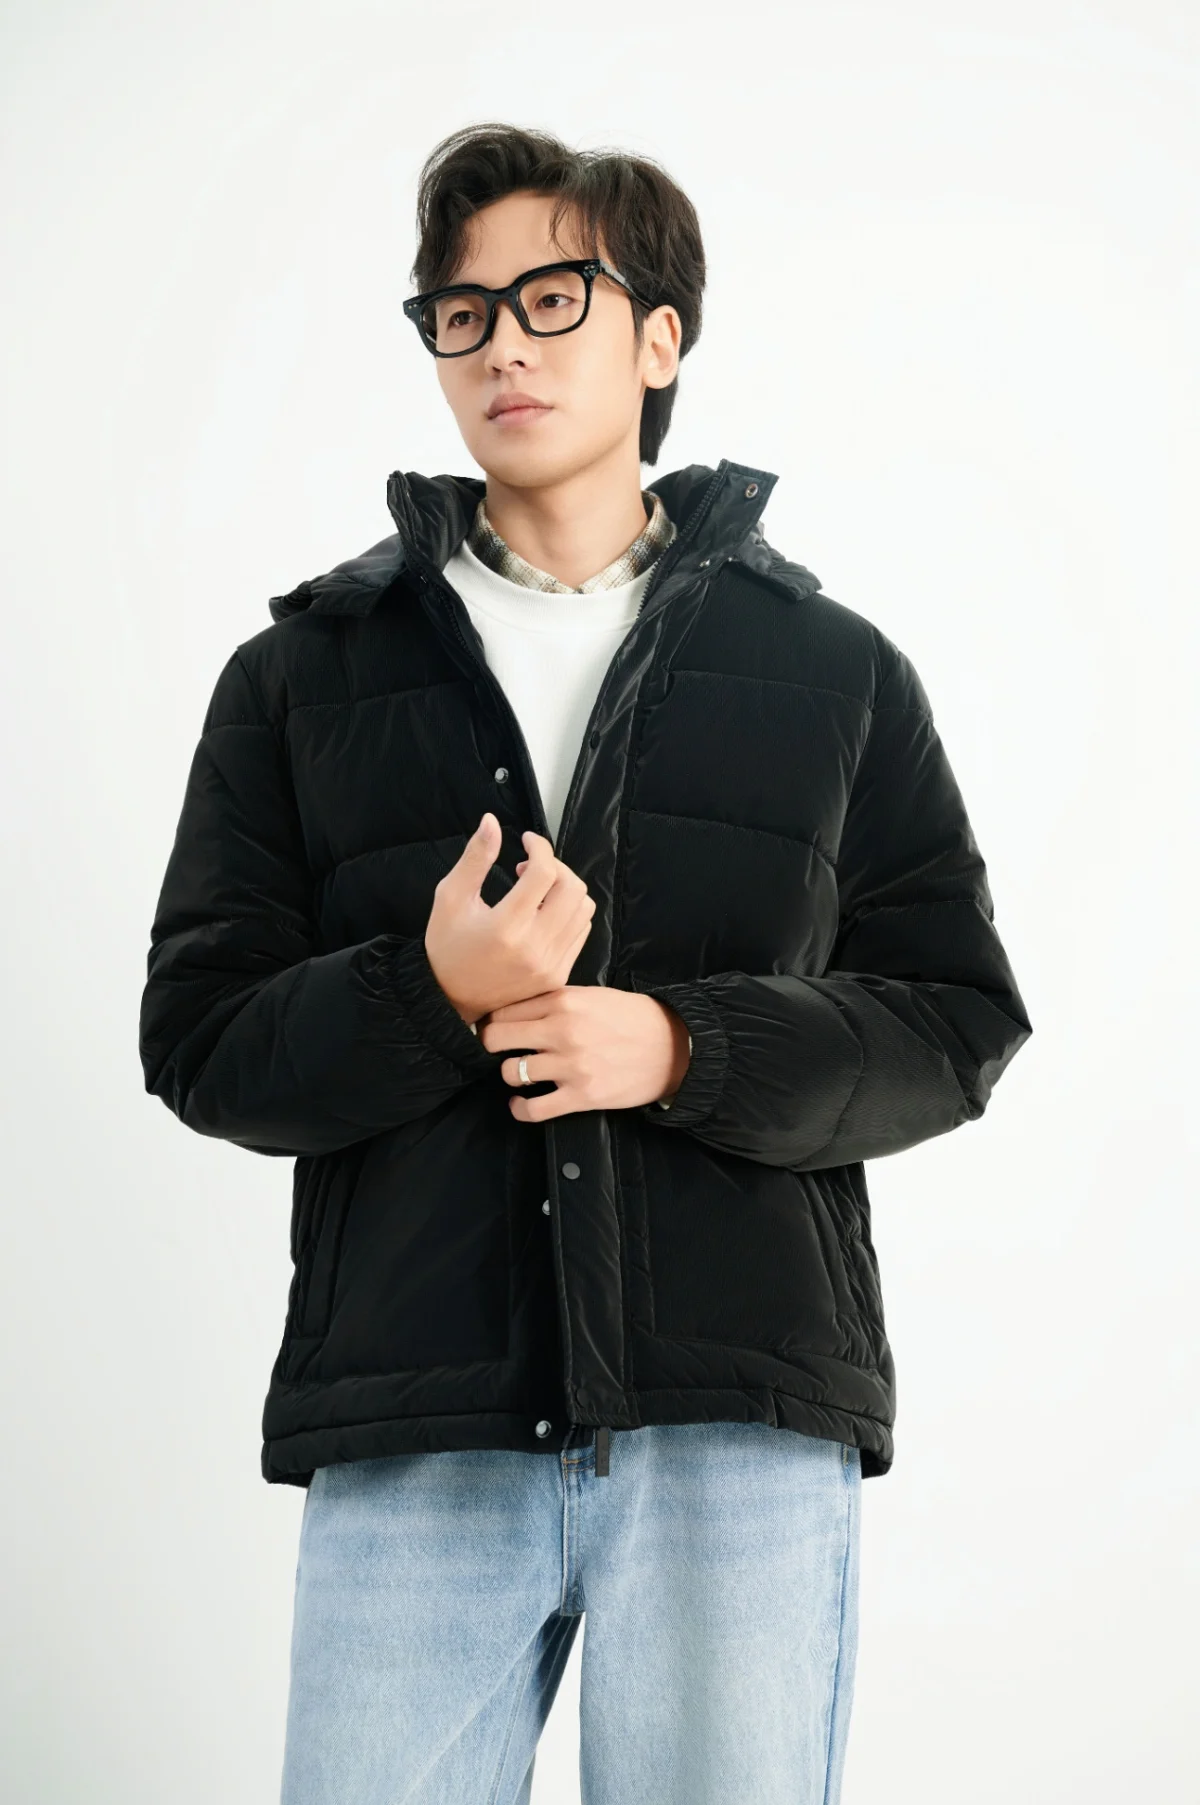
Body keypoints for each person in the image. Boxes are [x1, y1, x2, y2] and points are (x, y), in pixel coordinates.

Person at [139, 122, 1032, 1805]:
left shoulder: (834, 671)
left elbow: (955, 1021)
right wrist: (431, 994)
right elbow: (199, 1043)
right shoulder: (302, 677)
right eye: (462, 313)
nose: (504, 346)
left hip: (736, 1425)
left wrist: (685, 1048)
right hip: (413, 1429)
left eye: (554, 297)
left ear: (660, 335)